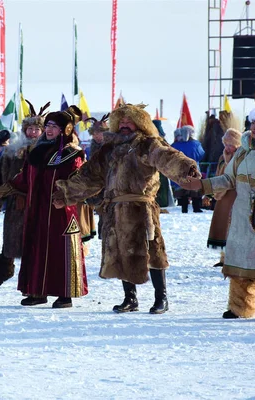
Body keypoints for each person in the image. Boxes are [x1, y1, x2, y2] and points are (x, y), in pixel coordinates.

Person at [52, 103, 201, 314]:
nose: (124, 125)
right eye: (121, 121)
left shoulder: (148, 144)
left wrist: (186, 167)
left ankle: (161, 298)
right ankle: (130, 299)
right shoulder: (109, 148)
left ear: (140, 123)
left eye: (129, 121)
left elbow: (166, 156)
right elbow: (90, 176)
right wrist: (66, 194)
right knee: (121, 252)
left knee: (153, 252)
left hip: (142, 208)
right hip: (115, 208)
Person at [182, 104, 255, 321]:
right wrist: (201, 185)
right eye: (253, 123)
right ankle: (239, 307)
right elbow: (228, 179)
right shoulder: (243, 151)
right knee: (239, 259)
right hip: (241, 213)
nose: (254, 127)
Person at [0, 106, 89, 309]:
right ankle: (38, 291)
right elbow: (24, 177)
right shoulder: (37, 152)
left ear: (66, 129)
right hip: (37, 210)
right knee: (37, 249)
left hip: (61, 211)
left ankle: (65, 295)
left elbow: (79, 182)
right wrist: (4, 189)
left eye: (54, 126)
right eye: (48, 126)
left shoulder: (73, 154)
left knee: (60, 251)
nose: (49, 129)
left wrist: (64, 196)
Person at [0, 101, 47, 286]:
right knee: (11, 242)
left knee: (35, 244)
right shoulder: (13, 151)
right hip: (16, 204)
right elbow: (0, 174)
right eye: (29, 128)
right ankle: (2, 273)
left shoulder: (48, 150)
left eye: (36, 129)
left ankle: (33, 278)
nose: (32, 132)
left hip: (39, 204)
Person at [206, 128, 242, 267]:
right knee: (223, 227)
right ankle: (224, 258)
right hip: (223, 196)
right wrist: (211, 192)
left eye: (230, 144)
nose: (227, 147)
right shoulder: (222, 157)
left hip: (236, 196)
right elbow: (218, 175)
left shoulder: (240, 157)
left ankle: (234, 258)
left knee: (235, 227)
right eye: (225, 144)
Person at [171, 125, 205, 213]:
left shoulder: (175, 145)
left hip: (180, 170)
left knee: (183, 189)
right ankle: (196, 208)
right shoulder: (196, 144)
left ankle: (184, 208)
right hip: (194, 169)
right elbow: (201, 155)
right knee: (195, 187)